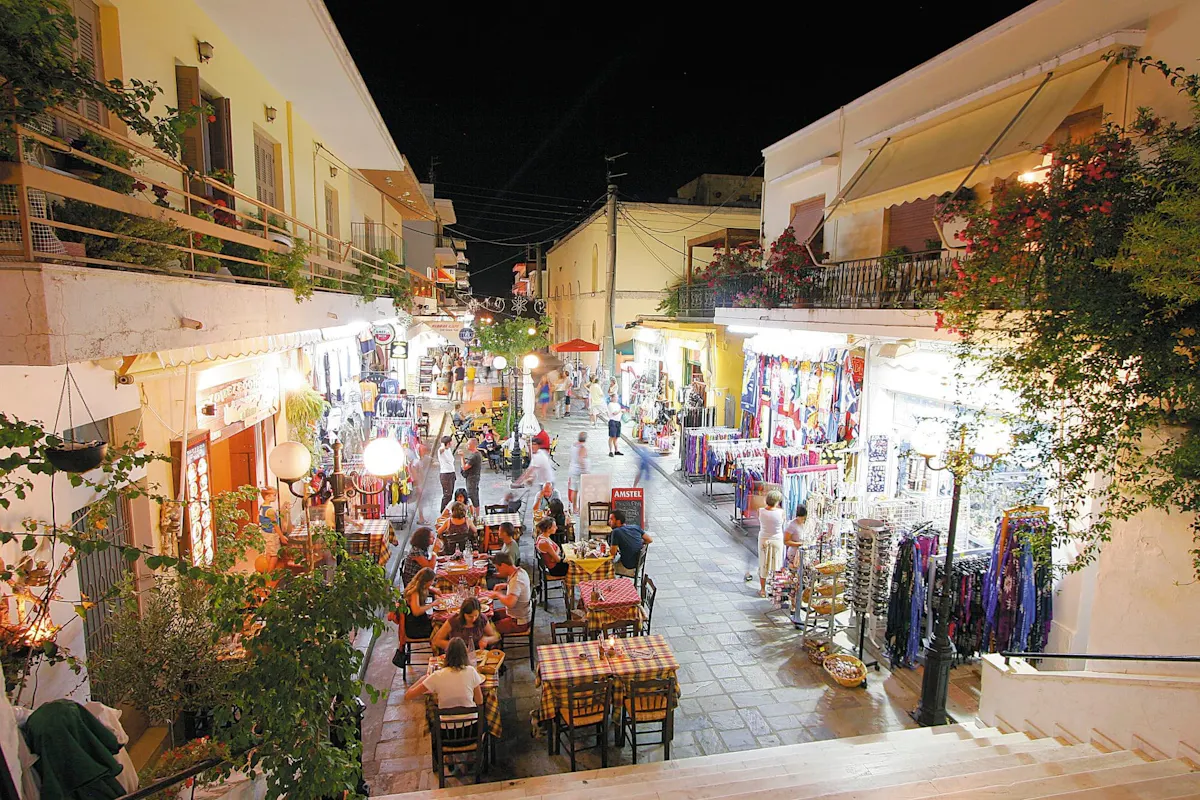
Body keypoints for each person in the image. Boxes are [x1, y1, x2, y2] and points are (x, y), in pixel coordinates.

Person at [404, 637, 483, 709]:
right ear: (465, 655)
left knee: (429, 703)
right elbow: (479, 701)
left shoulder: (437, 675)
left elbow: (408, 695)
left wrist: (423, 678)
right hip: (470, 720)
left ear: (447, 655)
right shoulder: (471, 671)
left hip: (446, 723)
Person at [432, 597, 500, 654]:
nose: (473, 619)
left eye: (476, 615)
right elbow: (436, 640)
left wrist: (486, 640)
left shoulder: (482, 618)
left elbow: (495, 637)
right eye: (470, 616)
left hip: (477, 652)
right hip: (457, 653)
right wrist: (458, 647)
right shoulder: (454, 620)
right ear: (463, 614)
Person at [486, 552, 531, 634]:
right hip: (517, 614)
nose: (498, 572)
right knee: (489, 616)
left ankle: (495, 644)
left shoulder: (516, 581)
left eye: (498, 569)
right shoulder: (520, 571)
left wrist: (498, 594)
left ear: (503, 565)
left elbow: (510, 603)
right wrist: (505, 585)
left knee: (487, 629)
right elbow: (518, 588)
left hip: (518, 622)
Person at [608, 508, 652, 578]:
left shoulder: (616, 532)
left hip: (628, 565)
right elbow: (649, 540)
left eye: (611, 519)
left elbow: (612, 553)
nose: (609, 521)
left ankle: (611, 586)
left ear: (618, 521)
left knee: (607, 567)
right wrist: (639, 543)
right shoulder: (635, 527)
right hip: (639, 562)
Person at [758, 489, 786, 598]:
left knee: (763, 563)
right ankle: (775, 589)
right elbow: (782, 522)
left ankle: (762, 590)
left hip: (763, 539)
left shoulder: (760, 511)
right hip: (777, 539)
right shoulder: (781, 512)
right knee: (776, 564)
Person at [402, 567, 438, 641]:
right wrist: (432, 604)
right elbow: (416, 612)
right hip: (416, 628)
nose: (432, 583)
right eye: (431, 581)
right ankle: (438, 648)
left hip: (421, 622)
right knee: (440, 628)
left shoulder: (419, 587)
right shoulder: (414, 592)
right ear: (425, 582)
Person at [567, 431, 589, 512]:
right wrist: (585, 470)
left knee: (574, 490)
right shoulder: (582, 447)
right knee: (581, 490)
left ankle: (574, 507)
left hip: (572, 469)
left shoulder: (573, 445)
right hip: (579, 471)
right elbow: (581, 459)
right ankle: (580, 509)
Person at [461, 438, 483, 510]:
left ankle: (475, 515)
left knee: (472, 496)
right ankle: (476, 514)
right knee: (474, 495)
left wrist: (461, 457)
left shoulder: (474, 456)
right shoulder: (477, 454)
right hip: (475, 477)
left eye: (468, 444)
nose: (467, 446)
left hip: (472, 478)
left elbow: (465, 467)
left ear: (472, 445)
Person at [437, 435, 456, 511]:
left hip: (451, 473)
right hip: (445, 474)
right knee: (447, 494)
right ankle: (443, 510)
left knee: (450, 494)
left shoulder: (449, 450)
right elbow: (441, 450)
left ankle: (448, 510)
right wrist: (443, 444)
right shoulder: (441, 450)